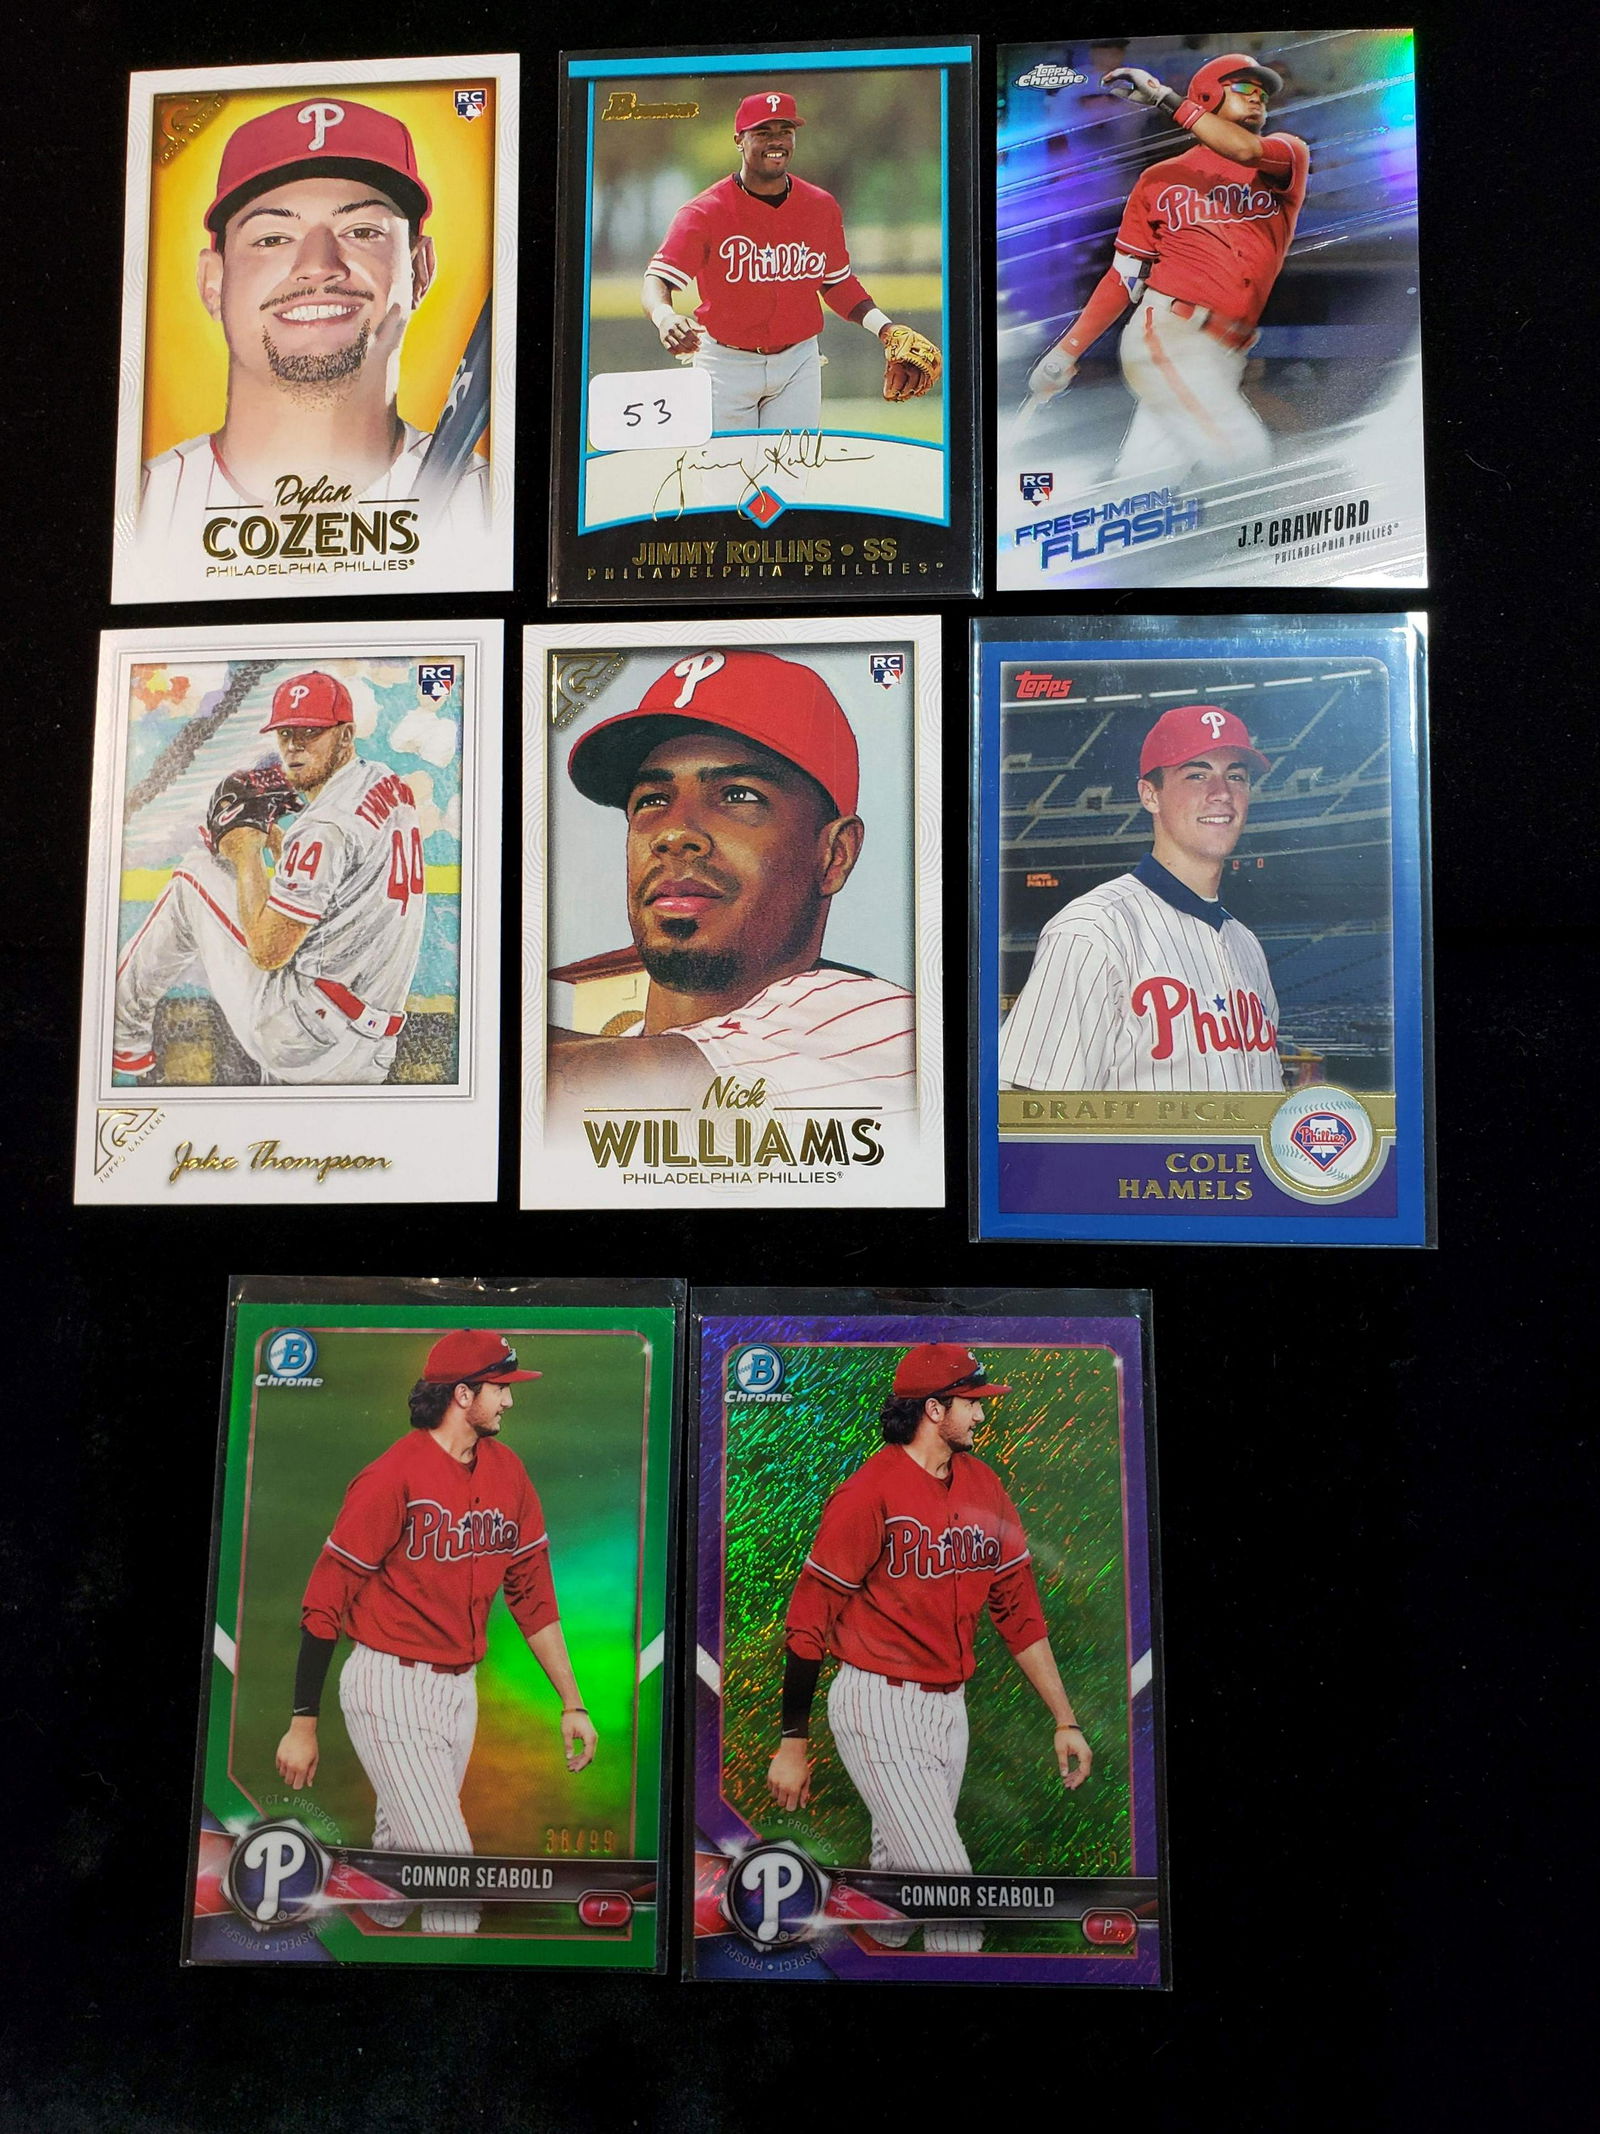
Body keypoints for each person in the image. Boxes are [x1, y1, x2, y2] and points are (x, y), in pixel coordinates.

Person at [767, 1343, 1091, 1954]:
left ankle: (859, 1950)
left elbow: (1018, 1612)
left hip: (949, 1709)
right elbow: (808, 1621)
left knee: (897, 1904)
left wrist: (1064, 1718)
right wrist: (793, 1741)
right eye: (972, 1403)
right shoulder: (868, 1494)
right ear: (934, 1409)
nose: (982, 1414)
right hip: (877, 1706)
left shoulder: (983, 1484)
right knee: (950, 1890)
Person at [273, 1329, 597, 1936]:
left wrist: (572, 1702)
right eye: (500, 1388)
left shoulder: (508, 1472)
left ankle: (364, 1933)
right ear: (462, 1394)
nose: (509, 1400)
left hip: (458, 1692)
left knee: (397, 1877)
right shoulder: (391, 1477)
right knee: (453, 1872)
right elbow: (324, 1601)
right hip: (388, 1688)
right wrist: (302, 1721)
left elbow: (533, 1598)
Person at [550, 648, 914, 1114]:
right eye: (652, 799)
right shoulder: (616, 1051)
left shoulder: (885, 1027)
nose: (673, 833)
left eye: (738, 795)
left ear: (834, 855)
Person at [138, 96, 486, 545]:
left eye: (362, 232)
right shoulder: (134, 509)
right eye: (272, 238)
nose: (319, 265)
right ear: (213, 282)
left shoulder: (491, 502)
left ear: (420, 270)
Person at [113, 669, 427, 1086]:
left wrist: (247, 853)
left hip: (303, 1037)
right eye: (285, 734)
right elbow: (340, 890)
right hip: (372, 1049)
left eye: (311, 732)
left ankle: (125, 1042)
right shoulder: (387, 783)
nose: (294, 746)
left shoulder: (322, 828)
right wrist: (281, 845)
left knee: (194, 872)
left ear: (346, 735)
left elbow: (267, 953)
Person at [1023, 52, 1309, 483]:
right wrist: (1067, 352)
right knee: (1243, 459)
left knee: (1142, 484)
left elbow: (1243, 149)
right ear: (1208, 96)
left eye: (1262, 94)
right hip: (1171, 333)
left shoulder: (1285, 154)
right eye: (1243, 88)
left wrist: (1164, 98)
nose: (1257, 98)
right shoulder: (1160, 178)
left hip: (1226, 351)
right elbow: (1124, 277)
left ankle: (1097, 522)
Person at [999, 703, 1285, 1092]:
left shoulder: (1246, 944)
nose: (1221, 793)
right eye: (1197, 775)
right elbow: (1031, 1105)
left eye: (1236, 776)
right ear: (1150, 795)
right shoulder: (1092, 931)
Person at [640, 90, 937, 433]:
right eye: (763, 132)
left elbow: (836, 282)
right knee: (726, 468)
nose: (776, 141)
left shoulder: (820, 206)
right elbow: (657, 280)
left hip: (798, 363)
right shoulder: (704, 211)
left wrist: (885, 328)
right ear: (739, 140)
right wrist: (664, 317)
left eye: (785, 131)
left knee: (791, 468)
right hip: (725, 364)